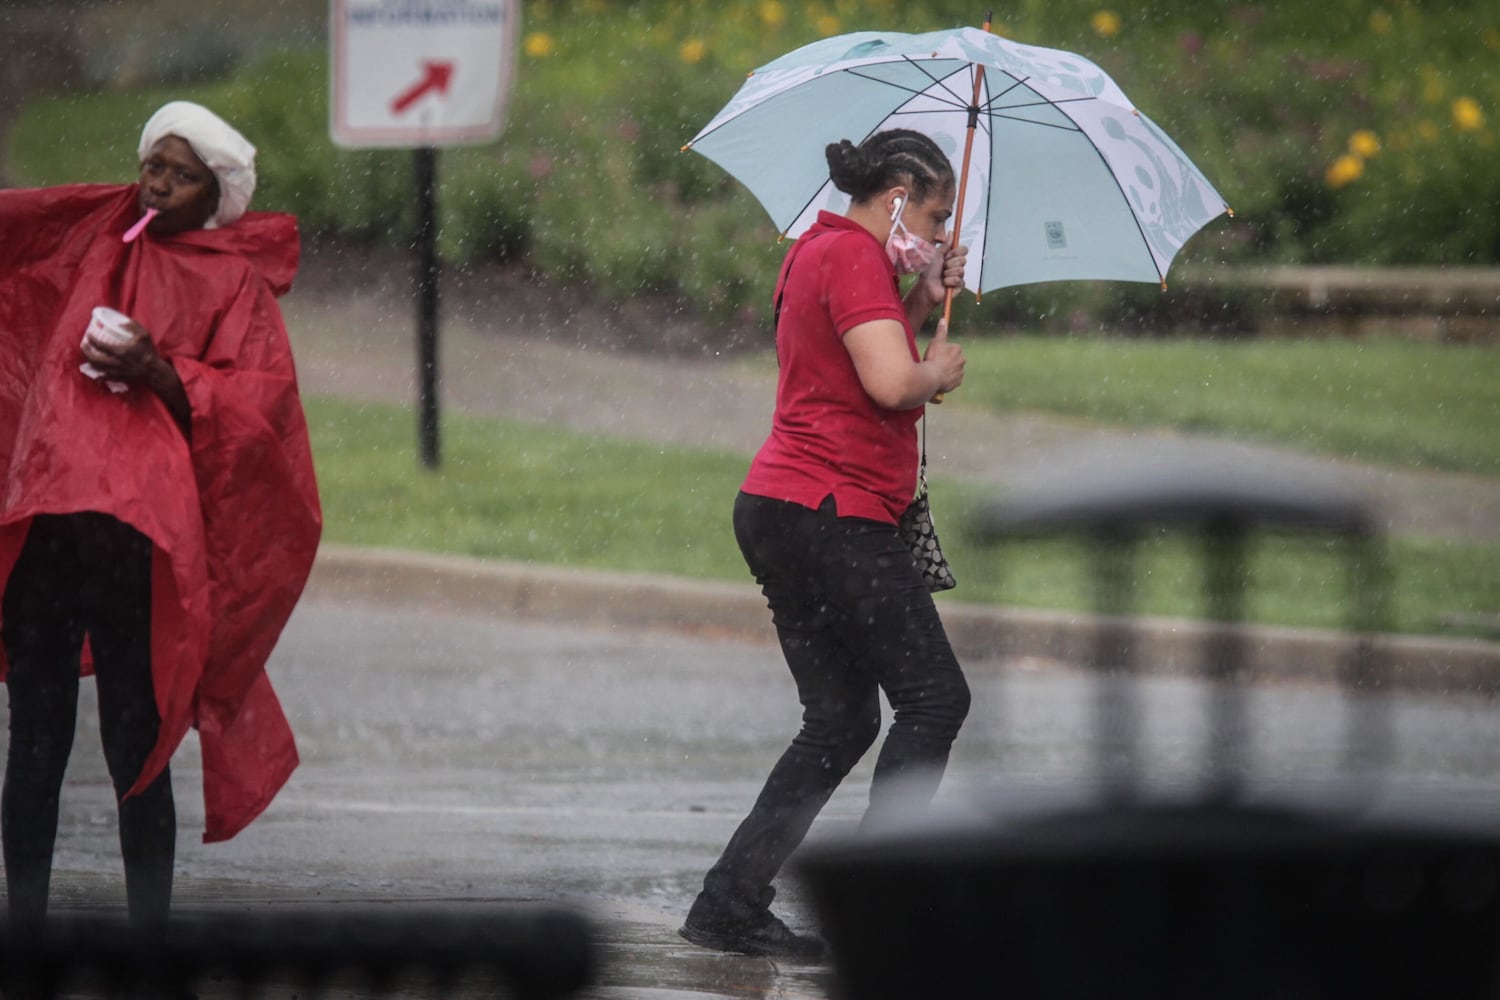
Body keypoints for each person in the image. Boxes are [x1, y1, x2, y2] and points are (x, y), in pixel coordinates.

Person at [0, 101, 321, 936]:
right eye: (153, 166)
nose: (159, 186)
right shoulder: (98, 234)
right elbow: (21, 253)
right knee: (35, 743)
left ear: (215, 195)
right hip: (52, 528)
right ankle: (25, 929)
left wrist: (160, 370)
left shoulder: (232, 284)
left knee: (136, 749)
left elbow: (258, 411)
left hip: (143, 548)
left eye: (182, 177)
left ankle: (149, 938)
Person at [680, 129, 972, 957]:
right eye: (935, 213)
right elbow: (889, 381)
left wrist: (919, 291)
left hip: (784, 508)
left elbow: (862, 355)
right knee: (934, 700)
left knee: (842, 718)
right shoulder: (849, 258)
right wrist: (937, 372)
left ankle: (728, 904)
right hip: (827, 510)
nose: (940, 230)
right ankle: (882, 915)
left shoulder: (829, 251)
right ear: (895, 198)